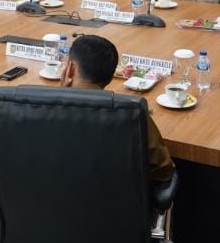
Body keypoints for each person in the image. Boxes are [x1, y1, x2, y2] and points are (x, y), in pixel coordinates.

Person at [61, 35, 174, 185]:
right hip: (118, 205)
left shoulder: (37, 107)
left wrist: (61, 96)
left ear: (70, 69)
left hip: (49, 203)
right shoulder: (131, 111)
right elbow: (163, 169)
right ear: (110, 78)